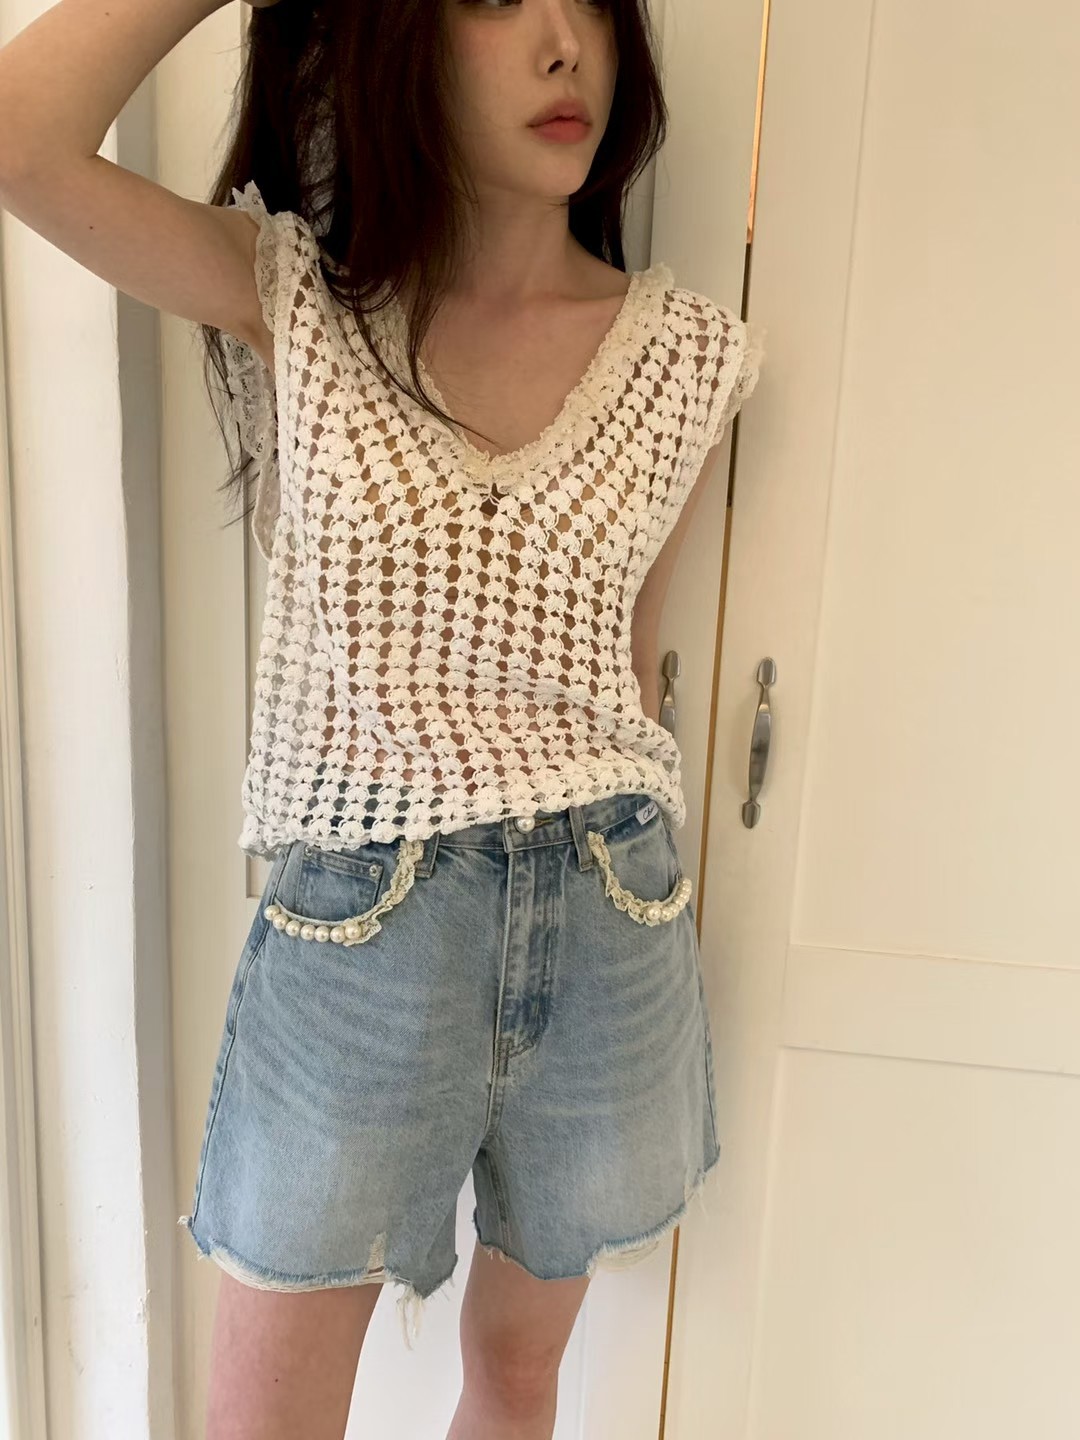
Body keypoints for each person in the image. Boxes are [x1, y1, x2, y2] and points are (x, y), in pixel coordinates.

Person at [0, 0, 762, 1434]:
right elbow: (20, 137)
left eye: (589, 2)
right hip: (367, 927)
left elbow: (628, 666)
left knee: (519, 1376)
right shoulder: (299, 300)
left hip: (612, 909)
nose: (566, 44)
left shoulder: (682, 357)